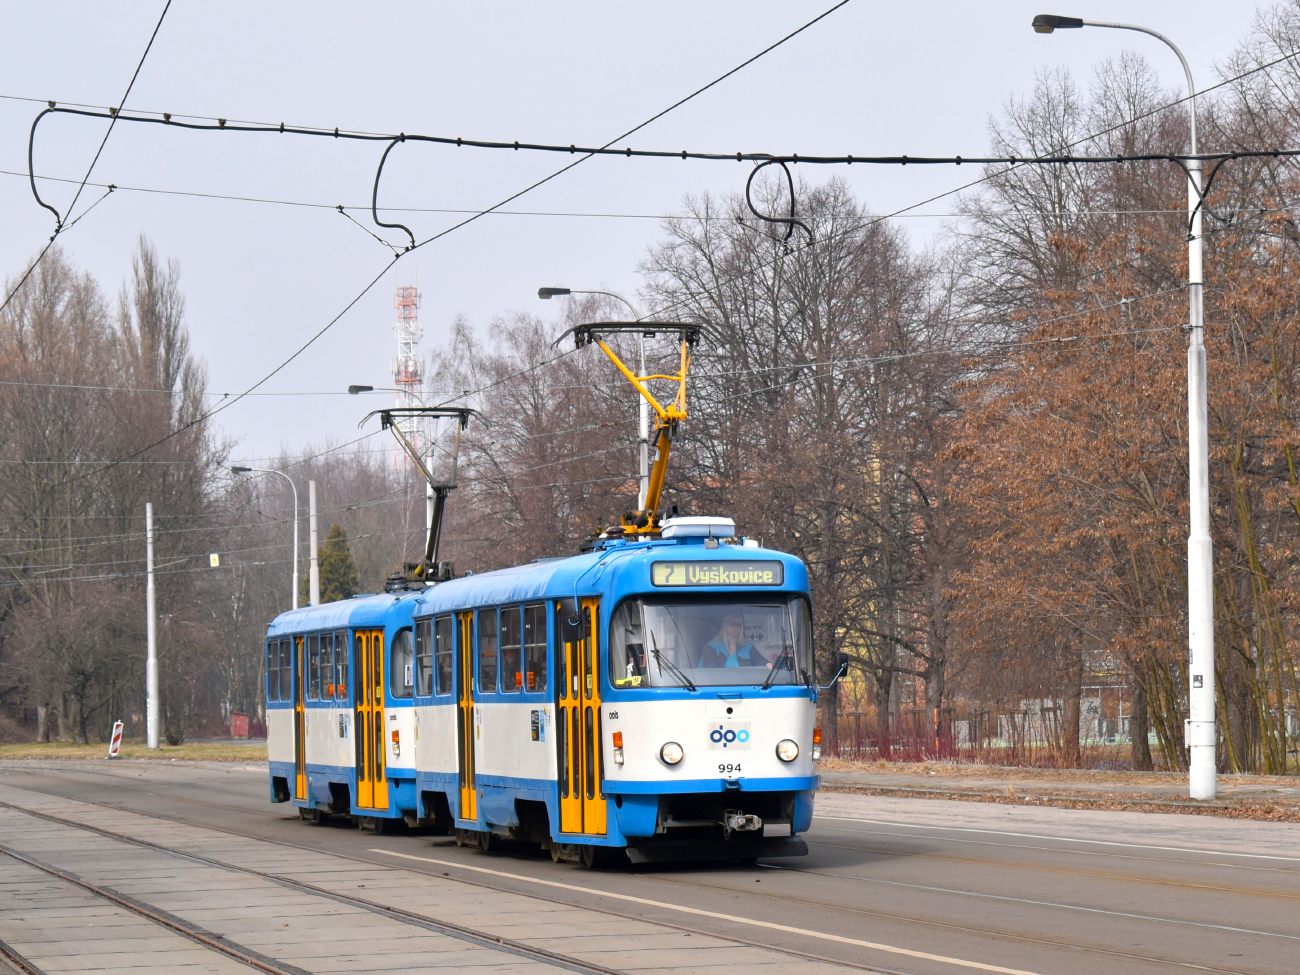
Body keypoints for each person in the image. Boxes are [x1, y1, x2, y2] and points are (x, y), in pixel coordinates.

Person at [699, 613, 769, 669]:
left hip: (744, 682)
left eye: (739, 625)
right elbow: (711, 669)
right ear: (725, 626)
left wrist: (769, 665)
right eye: (732, 624)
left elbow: (760, 661)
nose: (736, 627)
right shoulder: (712, 646)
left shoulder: (748, 647)